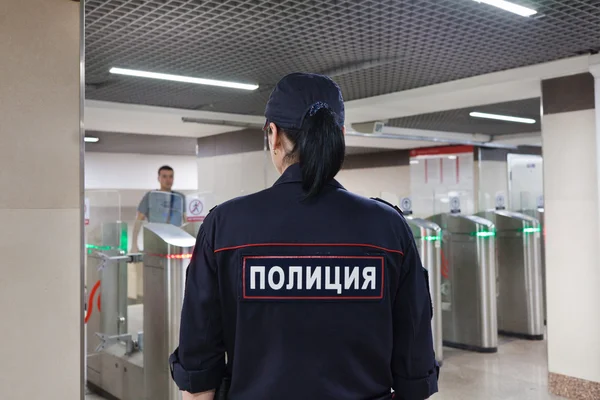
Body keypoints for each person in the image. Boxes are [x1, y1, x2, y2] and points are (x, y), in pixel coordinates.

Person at [169, 73, 439, 400]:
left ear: (273, 135)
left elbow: (199, 374)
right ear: (339, 135)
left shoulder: (224, 227)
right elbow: (414, 370)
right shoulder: (389, 228)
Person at [130, 165, 186, 253]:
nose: (168, 180)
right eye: (164, 176)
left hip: (175, 242)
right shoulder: (150, 196)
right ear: (158, 178)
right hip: (154, 241)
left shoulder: (179, 198)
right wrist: (134, 245)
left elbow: (187, 221)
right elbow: (138, 221)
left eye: (171, 176)